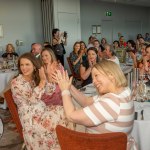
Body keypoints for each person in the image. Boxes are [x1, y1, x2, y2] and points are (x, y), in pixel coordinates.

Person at [53, 59, 136, 150]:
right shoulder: (123, 91)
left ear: (111, 75)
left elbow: (71, 116)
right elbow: (86, 101)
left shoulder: (111, 103)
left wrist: (65, 91)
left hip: (101, 146)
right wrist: (67, 85)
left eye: (96, 76)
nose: (93, 81)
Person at [11, 53, 74, 150]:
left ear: (34, 66)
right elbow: (32, 99)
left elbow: (50, 91)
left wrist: (47, 76)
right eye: (22, 65)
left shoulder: (34, 77)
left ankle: (65, 143)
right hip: (30, 118)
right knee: (61, 118)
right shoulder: (16, 82)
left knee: (67, 112)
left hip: (41, 109)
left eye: (27, 64)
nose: (24, 68)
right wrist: (42, 81)